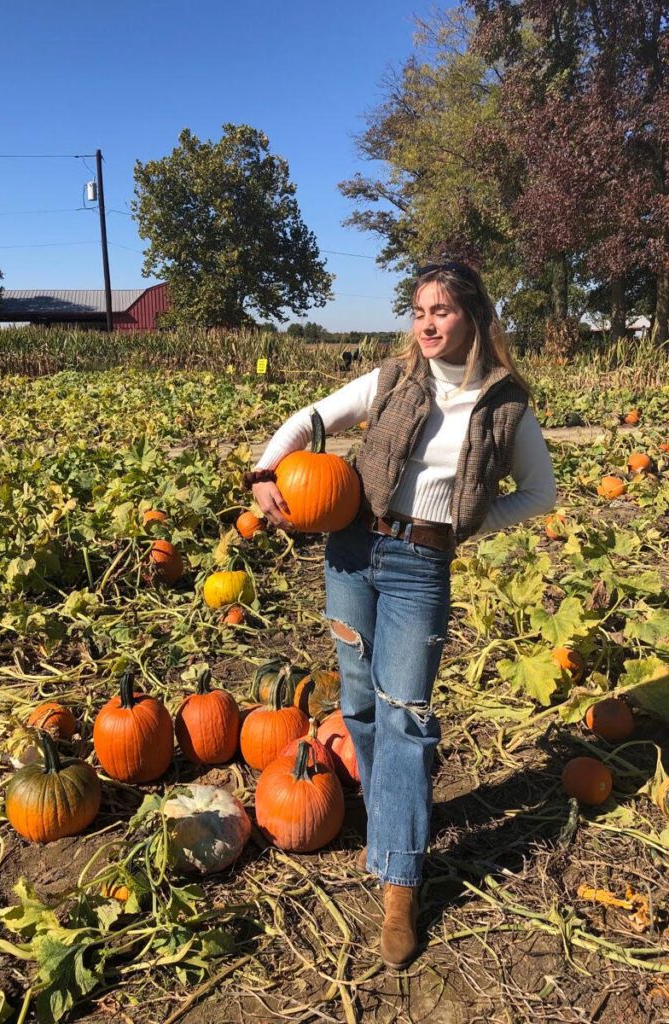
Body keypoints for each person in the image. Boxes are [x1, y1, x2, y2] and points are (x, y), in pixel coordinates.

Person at [245, 261, 557, 970]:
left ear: (474, 317)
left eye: (442, 310)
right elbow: (310, 420)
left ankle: (400, 883)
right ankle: (391, 813)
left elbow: (540, 493)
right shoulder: (391, 381)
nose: (427, 322)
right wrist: (266, 474)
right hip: (353, 550)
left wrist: (466, 524)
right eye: (419, 309)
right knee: (358, 697)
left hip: (422, 566)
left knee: (407, 713)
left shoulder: (507, 407)